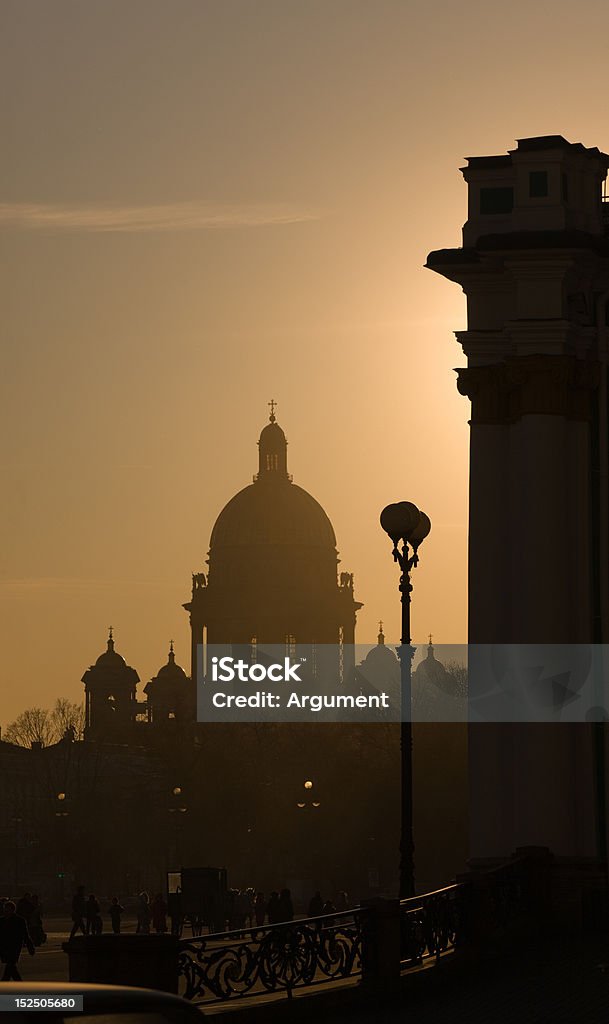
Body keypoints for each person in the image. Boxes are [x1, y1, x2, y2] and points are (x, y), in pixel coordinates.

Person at [0, 900, 35, 981]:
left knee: (10, 966)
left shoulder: (19, 921)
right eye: (5, 909)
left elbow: (25, 935)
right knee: (11, 968)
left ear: (13, 910)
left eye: (8, 909)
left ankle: (4, 984)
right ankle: (18, 984)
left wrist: (30, 947)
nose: (6, 911)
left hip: (14, 947)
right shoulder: (1, 921)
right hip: (3, 947)